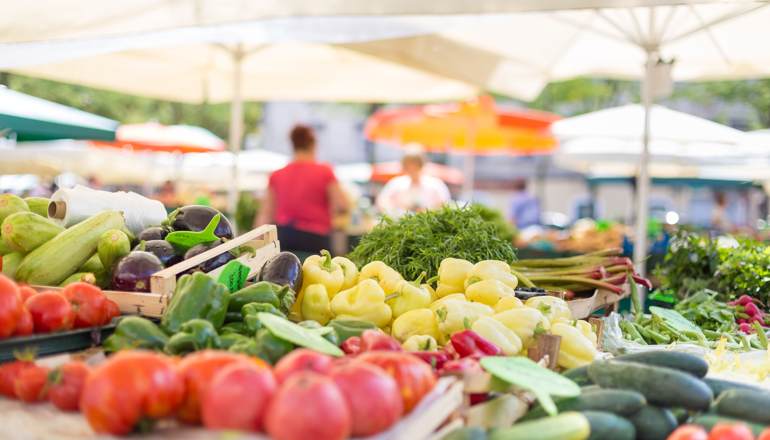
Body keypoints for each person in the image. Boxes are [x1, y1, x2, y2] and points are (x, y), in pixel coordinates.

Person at [255, 125, 348, 254]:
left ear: (293, 146)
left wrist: (256, 243)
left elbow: (266, 212)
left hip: (284, 236)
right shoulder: (324, 171)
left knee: (284, 272)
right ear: (313, 146)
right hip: (315, 237)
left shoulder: (277, 175)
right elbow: (343, 205)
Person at [375, 146, 452, 216]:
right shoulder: (396, 184)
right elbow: (381, 202)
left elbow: (445, 206)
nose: (412, 170)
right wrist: (398, 204)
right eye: (409, 167)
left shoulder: (435, 185)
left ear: (421, 165)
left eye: (415, 166)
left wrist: (426, 211)